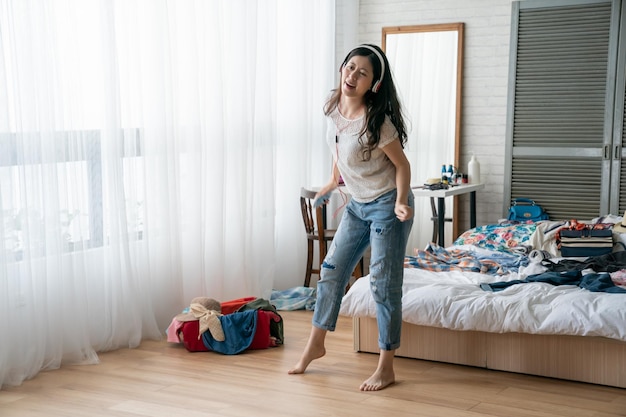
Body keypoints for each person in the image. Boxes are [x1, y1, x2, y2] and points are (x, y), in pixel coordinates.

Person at [288, 44, 414, 391]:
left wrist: (402, 201)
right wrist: (331, 182)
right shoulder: (333, 105)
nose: (352, 75)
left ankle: (386, 366)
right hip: (358, 205)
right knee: (331, 273)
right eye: (350, 67)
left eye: (363, 73)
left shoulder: (377, 121)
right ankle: (316, 343)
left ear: (373, 83)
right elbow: (339, 146)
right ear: (342, 68)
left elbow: (402, 165)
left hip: (388, 203)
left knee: (382, 283)